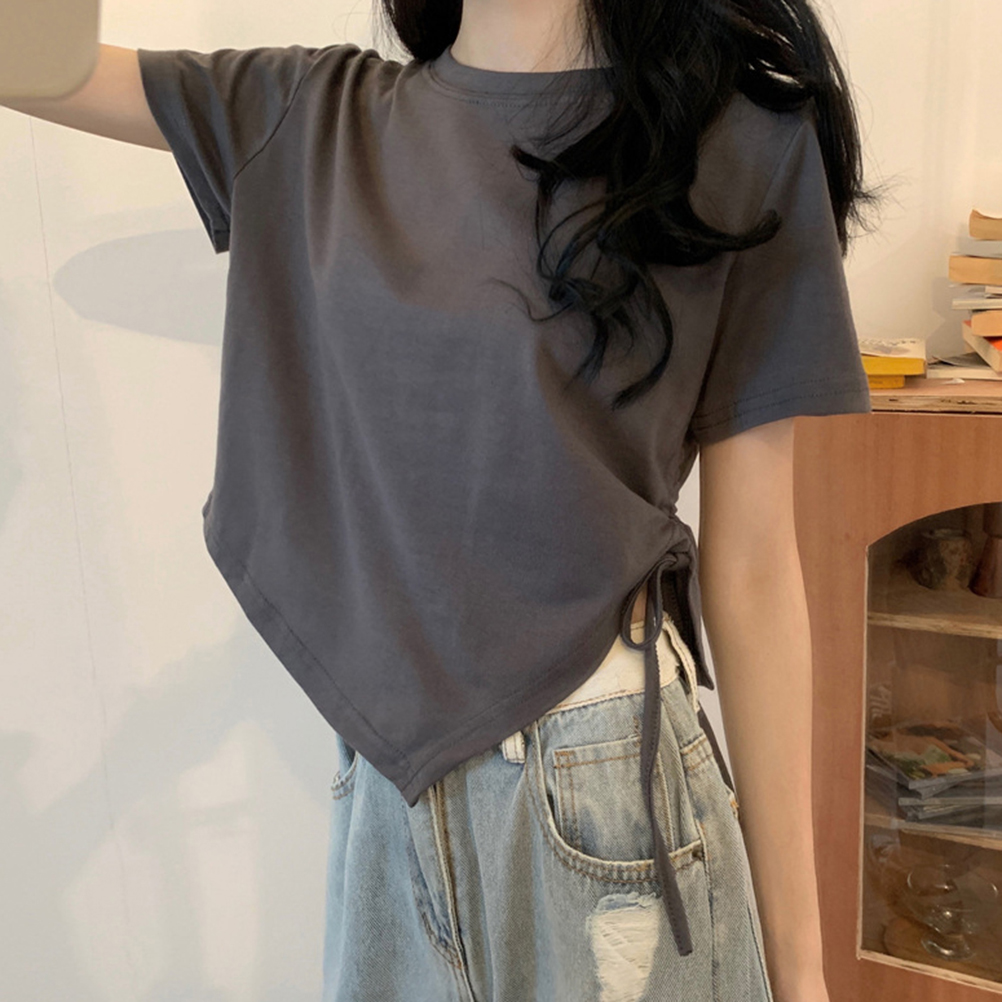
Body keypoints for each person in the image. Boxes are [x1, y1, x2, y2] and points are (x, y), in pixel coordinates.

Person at [3, 0, 886, 998]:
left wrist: (801, 973)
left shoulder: (738, 140)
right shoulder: (311, 115)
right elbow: (30, 60)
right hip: (385, 797)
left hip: (605, 782)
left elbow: (756, 566)